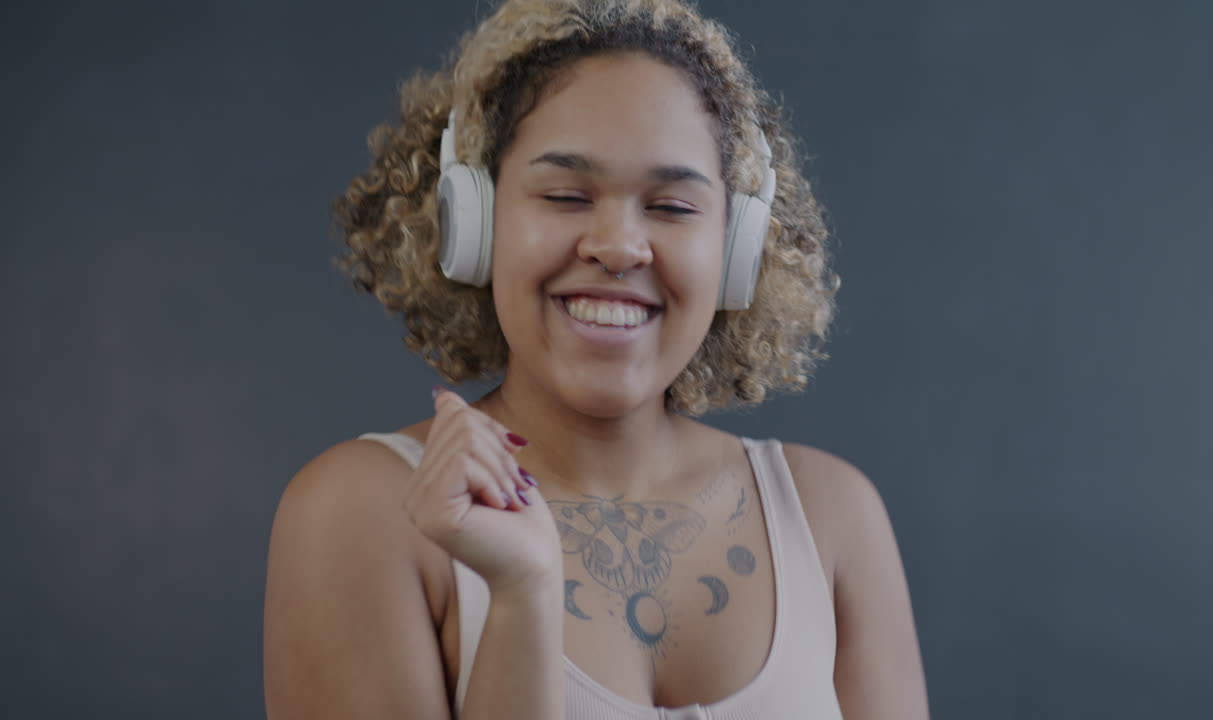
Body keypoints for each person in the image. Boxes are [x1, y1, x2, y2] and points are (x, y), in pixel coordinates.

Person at [263, 0, 929, 717]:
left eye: (673, 207)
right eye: (565, 195)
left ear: (736, 253)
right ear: (474, 227)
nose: (617, 246)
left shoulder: (830, 515)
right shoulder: (361, 512)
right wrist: (521, 598)